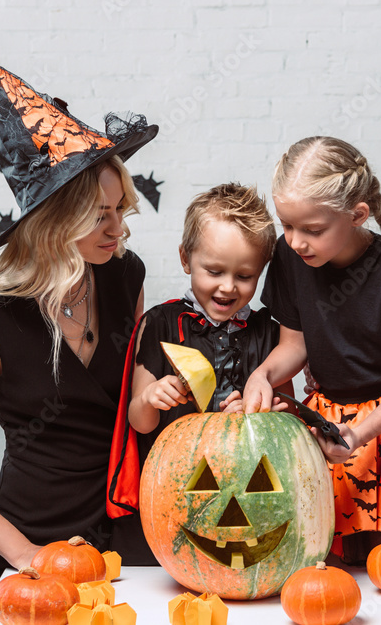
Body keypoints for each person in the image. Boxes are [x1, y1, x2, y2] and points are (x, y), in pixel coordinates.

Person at [0, 37, 158, 605]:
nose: (118, 228)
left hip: (132, 535)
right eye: (100, 216)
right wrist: (23, 554)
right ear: (53, 220)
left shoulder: (126, 275)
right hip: (34, 545)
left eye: (121, 209)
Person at [241, 136, 381, 563]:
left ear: (357, 215)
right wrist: (263, 375)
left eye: (312, 230)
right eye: (286, 225)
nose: (295, 241)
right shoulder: (291, 259)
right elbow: (294, 345)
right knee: (325, 554)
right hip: (328, 421)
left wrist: (361, 433)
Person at [106, 184, 290, 561]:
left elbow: (284, 420)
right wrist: (150, 397)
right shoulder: (159, 322)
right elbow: (138, 422)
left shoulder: (267, 332)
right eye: (214, 271)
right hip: (171, 492)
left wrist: (258, 416)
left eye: (245, 276)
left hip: (245, 502)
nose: (228, 286)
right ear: (186, 259)